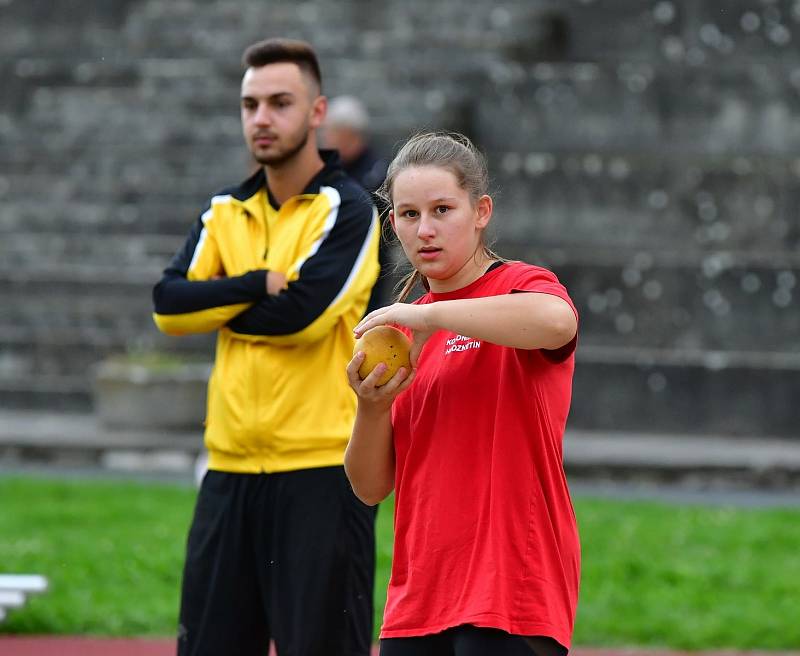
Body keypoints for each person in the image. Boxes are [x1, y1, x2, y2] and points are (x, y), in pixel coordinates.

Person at [151, 38, 381, 656]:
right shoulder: (223, 211)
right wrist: (255, 284)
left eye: (280, 102)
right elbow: (168, 306)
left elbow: (301, 317)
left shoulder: (351, 209)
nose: (261, 118)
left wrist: (219, 305)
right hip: (227, 471)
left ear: (316, 111)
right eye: (250, 104)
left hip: (322, 473)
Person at [344, 132, 580, 656]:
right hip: (419, 599)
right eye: (408, 215)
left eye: (442, 209)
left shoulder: (519, 285)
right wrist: (372, 407)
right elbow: (369, 486)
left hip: (511, 591)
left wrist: (433, 313)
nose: (424, 229)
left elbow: (557, 321)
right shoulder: (399, 337)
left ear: (481, 212)